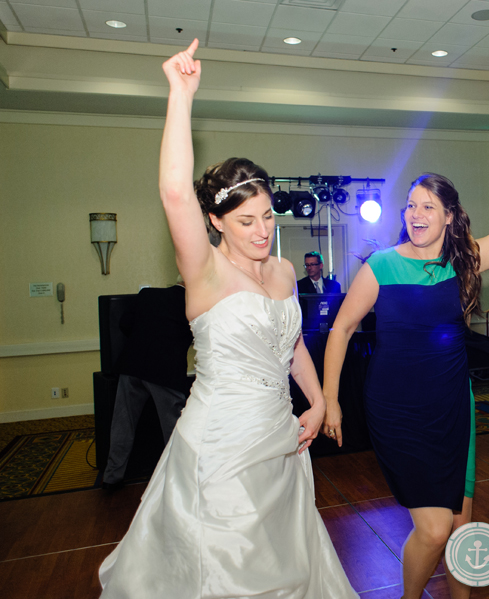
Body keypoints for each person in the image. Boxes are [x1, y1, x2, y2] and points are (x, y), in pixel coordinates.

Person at [98, 40, 357, 598]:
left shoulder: (286, 272)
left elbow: (292, 348)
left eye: (267, 216)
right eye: (246, 221)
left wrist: (315, 402)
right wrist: (181, 94)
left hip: (279, 438)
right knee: (228, 570)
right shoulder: (205, 273)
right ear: (215, 221)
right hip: (221, 443)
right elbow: (172, 190)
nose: (262, 230)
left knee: (282, 561)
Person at [321, 122, 489, 599]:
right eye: (410, 205)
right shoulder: (382, 266)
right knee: (433, 530)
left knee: (461, 529)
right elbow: (342, 329)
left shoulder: (464, 262)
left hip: (453, 407)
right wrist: (331, 399)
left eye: (427, 207)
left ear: (450, 217)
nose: (415, 214)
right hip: (397, 411)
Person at [103, 280, 193, 488]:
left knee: (122, 425)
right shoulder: (193, 302)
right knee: (174, 429)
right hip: (165, 373)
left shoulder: (147, 295)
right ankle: (178, 478)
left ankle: (111, 477)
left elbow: (125, 323)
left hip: (132, 366)